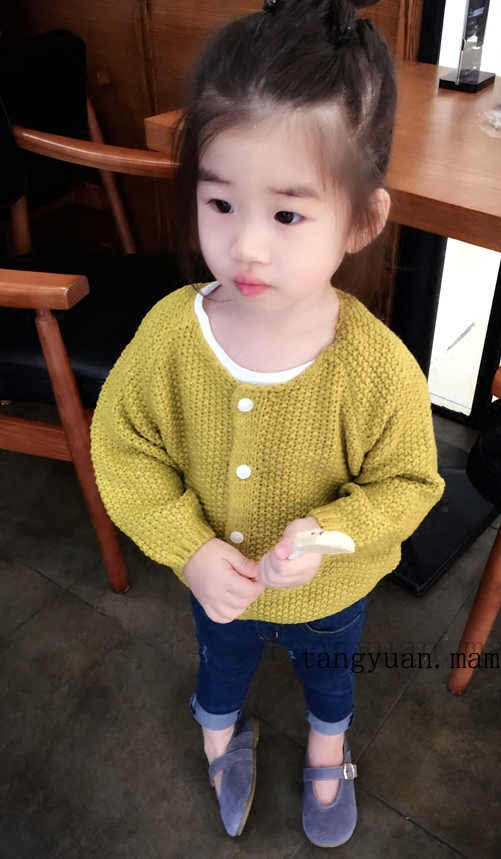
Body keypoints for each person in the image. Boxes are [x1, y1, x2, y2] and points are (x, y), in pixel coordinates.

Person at [90, 0, 444, 847]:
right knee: (221, 666)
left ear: (362, 220)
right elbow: (122, 445)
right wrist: (189, 546)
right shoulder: (172, 334)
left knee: (330, 675)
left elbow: (409, 482)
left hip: (330, 591)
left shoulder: (378, 366)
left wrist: (328, 534)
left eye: (287, 214)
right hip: (217, 583)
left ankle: (329, 747)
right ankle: (220, 733)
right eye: (220, 203)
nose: (246, 245)